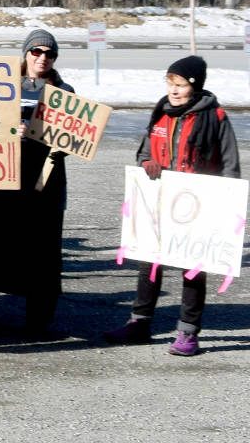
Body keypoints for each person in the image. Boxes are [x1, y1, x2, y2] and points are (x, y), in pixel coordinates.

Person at [104, 56, 239, 356]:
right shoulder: (161, 113)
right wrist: (147, 162)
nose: (173, 90)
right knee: (148, 263)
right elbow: (144, 151)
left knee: (193, 268)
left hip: (198, 204)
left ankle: (188, 333)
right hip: (160, 201)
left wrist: (228, 204)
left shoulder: (215, 117)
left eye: (180, 85)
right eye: (170, 84)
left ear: (195, 86)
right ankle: (140, 322)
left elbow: (230, 164)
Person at [0, 29, 71, 340]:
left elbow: (72, 138)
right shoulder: (3, 85)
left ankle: (39, 321)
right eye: (36, 51)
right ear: (26, 54)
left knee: (44, 257)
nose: (42, 58)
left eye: (49, 53)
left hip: (46, 187)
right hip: (5, 183)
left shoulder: (64, 91)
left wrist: (39, 133)